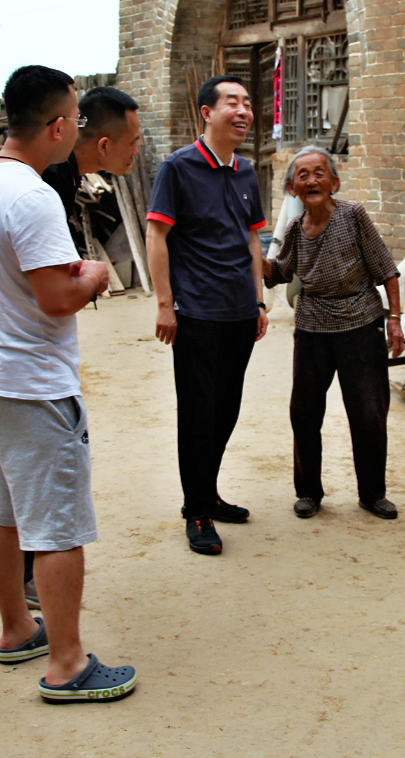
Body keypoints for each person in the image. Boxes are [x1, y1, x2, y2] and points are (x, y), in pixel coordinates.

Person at [0, 65, 137, 704]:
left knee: (2, 512)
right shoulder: (32, 197)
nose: (78, 131)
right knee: (57, 525)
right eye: (77, 120)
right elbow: (57, 297)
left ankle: (16, 629)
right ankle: (66, 663)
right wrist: (93, 275)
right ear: (58, 126)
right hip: (33, 382)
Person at [145, 75, 269, 556]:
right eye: (231, 102)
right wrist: (164, 304)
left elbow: (252, 238)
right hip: (196, 312)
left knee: (226, 409)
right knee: (197, 414)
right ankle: (196, 510)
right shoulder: (178, 168)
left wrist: (258, 301)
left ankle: (208, 492)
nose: (242, 111)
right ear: (207, 112)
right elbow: (157, 237)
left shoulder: (245, 172)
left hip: (240, 312)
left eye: (247, 103)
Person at [263, 146, 404, 520]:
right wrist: (249, 255)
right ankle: (308, 491)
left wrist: (395, 319)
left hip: (360, 323)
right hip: (312, 328)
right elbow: (280, 271)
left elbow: (386, 268)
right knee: (304, 413)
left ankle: (372, 494)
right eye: (303, 175)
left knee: (369, 414)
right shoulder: (294, 229)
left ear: (334, 182)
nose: (312, 180)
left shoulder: (353, 215)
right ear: (293, 189)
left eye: (319, 173)